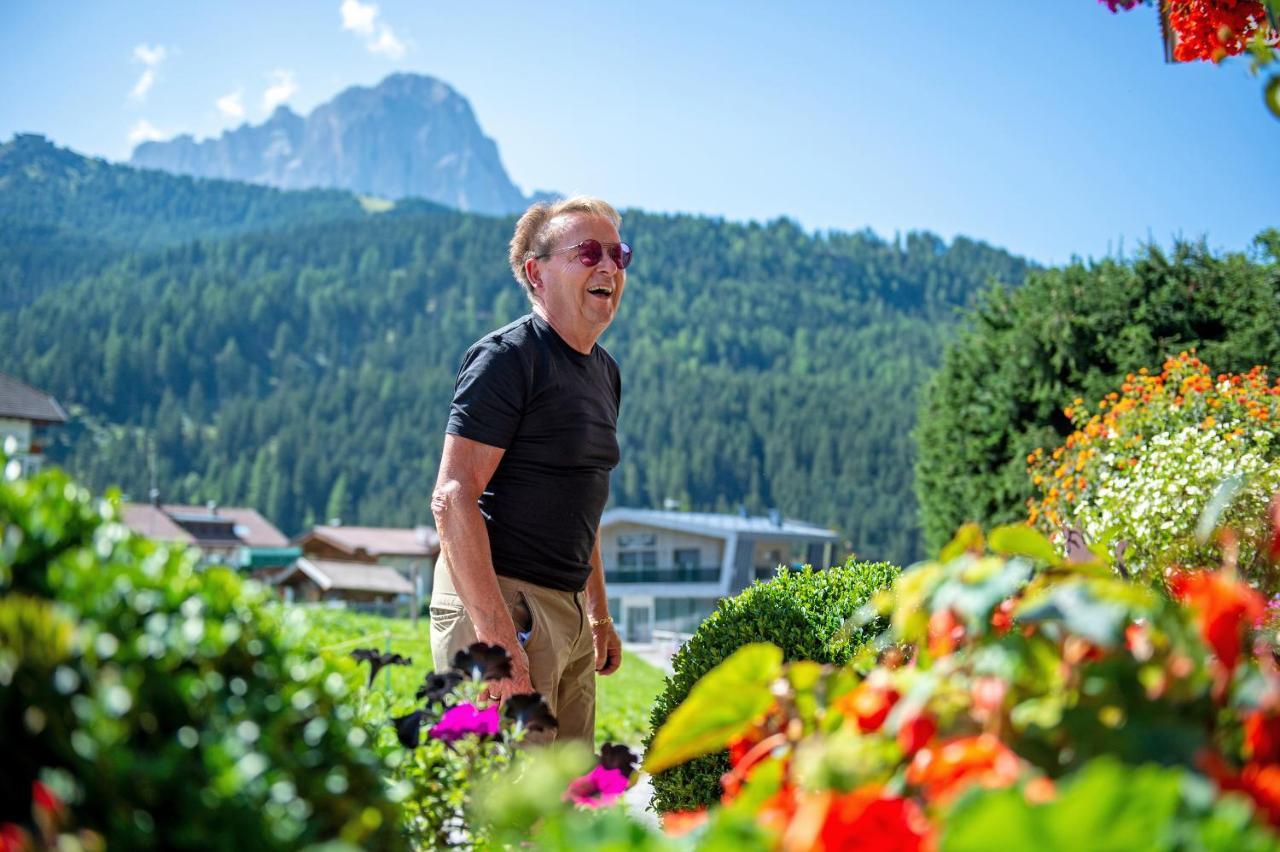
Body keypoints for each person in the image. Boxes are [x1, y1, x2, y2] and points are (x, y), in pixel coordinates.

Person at [429, 196, 630, 744]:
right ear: (536, 273)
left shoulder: (605, 372)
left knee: (565, 805)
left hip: (566, 613)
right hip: (502, 602)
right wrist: (497, 644)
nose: (608, 267)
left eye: (619, 253)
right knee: (502, 806)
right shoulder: (506, 358)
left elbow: (578, 502)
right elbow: (452, 497)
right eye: (588, 252)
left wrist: (598, 615)